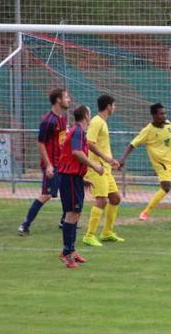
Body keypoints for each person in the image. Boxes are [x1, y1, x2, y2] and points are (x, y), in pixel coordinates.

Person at [119, 103, 171, 220]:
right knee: (166, 188)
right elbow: (132, 145)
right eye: (161, 114)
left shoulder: (168, 124)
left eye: (164, 113)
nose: (164, 116)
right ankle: (145, 212)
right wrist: (123, 159)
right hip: (163, 164)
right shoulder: (147, 131)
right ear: (154, 115)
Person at [18, 88, 70, 236]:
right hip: (51, 164)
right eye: (66, 97)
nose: (69, 99)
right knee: (46, 195)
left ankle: (64, 221)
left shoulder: (63, 118)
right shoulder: (48, 120)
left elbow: (62, 140)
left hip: (62, 163)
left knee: (67, 191)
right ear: (58, 100)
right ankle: (25, 225)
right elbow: (41, 143)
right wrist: (48, 165)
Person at [57, 105, 104, 268]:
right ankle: (66, 253)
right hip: (69, 177)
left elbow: (72, 156)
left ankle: (71, 250)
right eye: (89, 114)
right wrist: (95, 166)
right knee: (71, 214)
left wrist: (82, 179)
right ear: (86, 115)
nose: (90, 117)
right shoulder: (77, 131)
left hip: (74, 177)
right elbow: (77, 153)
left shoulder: (79, 132)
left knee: (75, 213)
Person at [82, 94, 125, 247]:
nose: (115, 108)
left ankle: (107, 232)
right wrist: (106, 159)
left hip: (105, 168)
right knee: (102, 200)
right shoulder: (96, 122)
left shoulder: (103, 122)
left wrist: (110, 161)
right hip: (96, 168)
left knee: (115, 198)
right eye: (113, 105)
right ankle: (89, 235)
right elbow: (89, 143)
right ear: (108, 106)